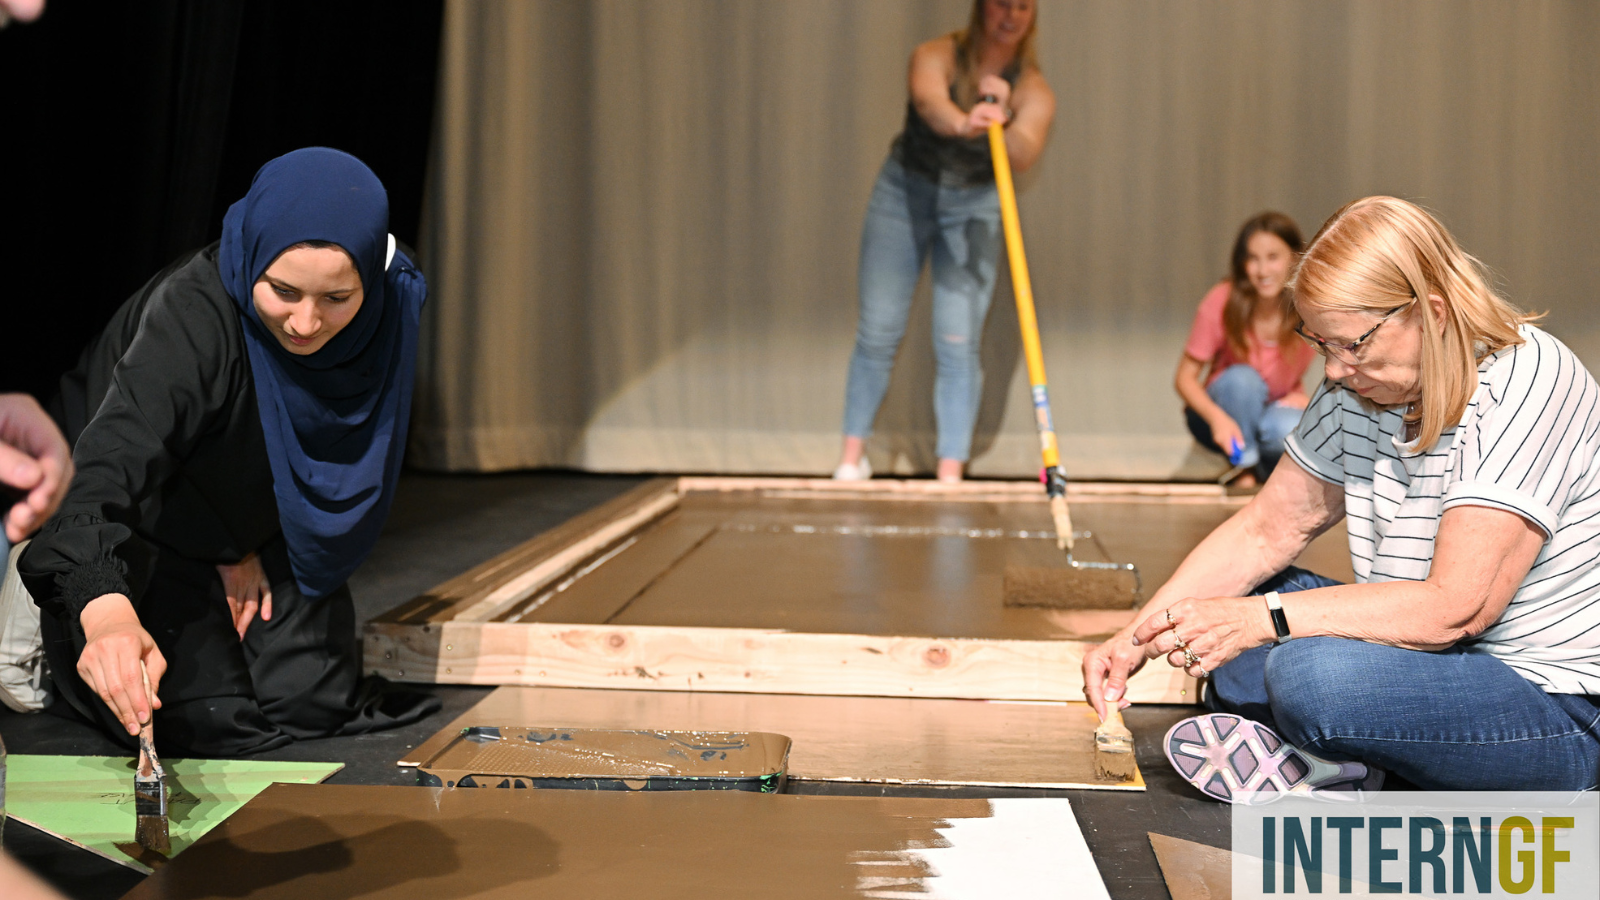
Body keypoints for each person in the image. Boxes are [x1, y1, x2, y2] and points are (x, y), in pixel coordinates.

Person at [1083, 196, 1600, 797]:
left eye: (1351, 344)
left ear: (1430, 314)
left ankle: (1345, 758)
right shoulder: (1358, 390)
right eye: (1321, 344)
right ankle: (1351, 765)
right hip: (1431, 666)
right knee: (1238, 609)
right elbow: (1263, 532)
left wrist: (1263, 622)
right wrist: (1138, 636)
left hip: (1553, 705)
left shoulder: (1529, 380)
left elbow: (1457, 610)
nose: (1332, 370)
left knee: (1307, 675)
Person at [18, 147, 439, 756]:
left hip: (255, 511)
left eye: (336, 299)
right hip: (135, 509)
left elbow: (324, 446)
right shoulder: (194, 315)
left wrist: (242, 539)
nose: (304, 323)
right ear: (254, 265)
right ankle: (32, 619)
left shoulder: (392, 301)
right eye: (283, 291)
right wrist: (106, 615)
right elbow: (109, 472)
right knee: (198, 716)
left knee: (308, 699)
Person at [835, 0, 1055, 484]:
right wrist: (964, 120)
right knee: (879, 330)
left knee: (957, 342)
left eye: (1023, 5)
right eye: (1002, 2)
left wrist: (1005, 116)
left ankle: (950, 472)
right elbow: (929, 103)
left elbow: (1026, 149)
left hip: (974, 207)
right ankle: (851, 460)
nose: (1011, 15)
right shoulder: (938, 54)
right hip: (905, 194)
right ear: (982, 6)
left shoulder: (1032, 87)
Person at [1176, 213, 1315, 488]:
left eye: (1273, 257)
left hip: (1271, 411)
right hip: (1219, 415)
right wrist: (1218, 419)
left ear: (1295, 259)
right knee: (1242, 380)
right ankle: (1245, 468)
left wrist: (1307, 399)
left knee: (1290, 429)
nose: (1263, 271)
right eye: (1253, 258)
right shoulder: (1223, 299)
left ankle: (1263, 471)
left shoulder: (1307, 307)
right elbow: (1183, 379)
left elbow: (1340, 361)